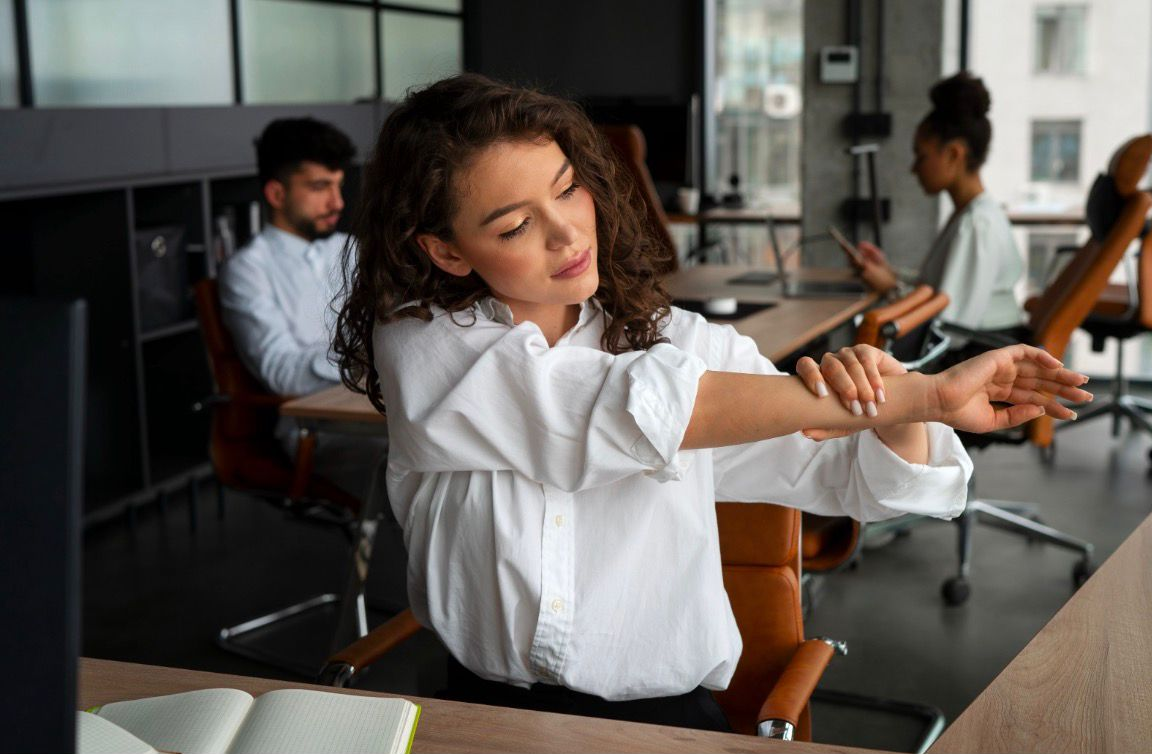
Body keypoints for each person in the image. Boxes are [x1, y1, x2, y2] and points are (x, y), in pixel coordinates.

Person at [332, 74, 1090, 731]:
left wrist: (891, 406)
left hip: (663, 719)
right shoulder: (423, 343)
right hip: (479, 714)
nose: (568, 232)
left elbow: (855, 481)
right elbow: (606, 409)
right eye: (517, 224)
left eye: (568, 188)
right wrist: (924, 388)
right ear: (446, 250)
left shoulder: (685, 345)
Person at [219, 117, 385, 505]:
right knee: (419, 461)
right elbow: (281, 371)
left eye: (339, 186)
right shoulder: (248, 270)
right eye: (319, 187)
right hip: (317, 430)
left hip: (374, 404)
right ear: (277, 194)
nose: (338, 203)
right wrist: (360, 355)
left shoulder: (352, 248)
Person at [853, 72, 1025, 358]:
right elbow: (940, 289)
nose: (914, 168)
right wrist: (891, 272)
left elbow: (948, 326)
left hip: (980, 355)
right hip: (982, 347)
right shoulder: (972, 215)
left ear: (954, 154)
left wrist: (890, 288)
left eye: (921, 156)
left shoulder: (976, 225)